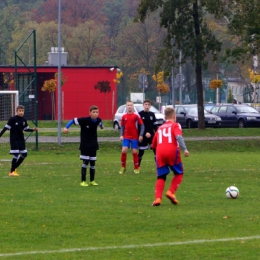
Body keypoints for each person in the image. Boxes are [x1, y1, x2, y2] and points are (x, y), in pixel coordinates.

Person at [151, 107, 189, 206]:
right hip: (172, 151)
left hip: (160, 153)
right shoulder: (175, 125)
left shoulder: (159, 128)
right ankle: (171, 192)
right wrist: (185, 149)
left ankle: (158, 198)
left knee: (161, 176)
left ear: (164, 117)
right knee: (179, 173)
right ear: (174, 116)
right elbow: (178, 137)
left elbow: (153, 145)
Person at [63, 105, 103, 187]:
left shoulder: (98, 120)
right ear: (90, 113)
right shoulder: (84, 120)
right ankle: (83, 181)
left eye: (97, 112)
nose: (95, 114)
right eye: (94, 112)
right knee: (85, 162)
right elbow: (73, 120)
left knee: (93, 163)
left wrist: (101, 126)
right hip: (85, 145)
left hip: (93, 144)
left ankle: (92, 180)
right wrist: (66, 127)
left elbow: (100, 122)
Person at [0, 105, 38, 176]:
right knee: (16, 155)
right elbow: (5, 128)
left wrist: (33, 130)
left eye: (22, 111)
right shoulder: (12, 119)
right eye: (20, 111)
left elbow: (25, 129)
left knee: (24, 154)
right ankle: (11, 172)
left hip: (21, 139)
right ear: (16, 111)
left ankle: (14, 168)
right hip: (14, 140)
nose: (21, 112)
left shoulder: (24, 120)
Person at [119, 100, 144, 174]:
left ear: (133, 106)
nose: (129, 106)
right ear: (126, 106)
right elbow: (122, 127)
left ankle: (136, 168)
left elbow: (142, 125)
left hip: (134, 137)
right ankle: (123, 167)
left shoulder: (136, 116)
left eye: (131, 105)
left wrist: (141, 135)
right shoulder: (124, 116)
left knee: (134, 152)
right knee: (124, 151)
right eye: (128, 105)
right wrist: (121, 135)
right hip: (126, 137)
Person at [138, 99, 158, 169]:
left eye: (148, 105)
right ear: (143, 105)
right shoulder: (140, 114)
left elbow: (155, 125)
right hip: (143, 135)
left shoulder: (152, 114)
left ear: (150, 106)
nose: (147, 106)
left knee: (155, 151)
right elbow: (138, 126)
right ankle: (137, 166)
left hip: (152, 135)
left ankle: (158, 167)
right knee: (141, 152)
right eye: (145, 104)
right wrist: (143, 134)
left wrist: (156, 134)